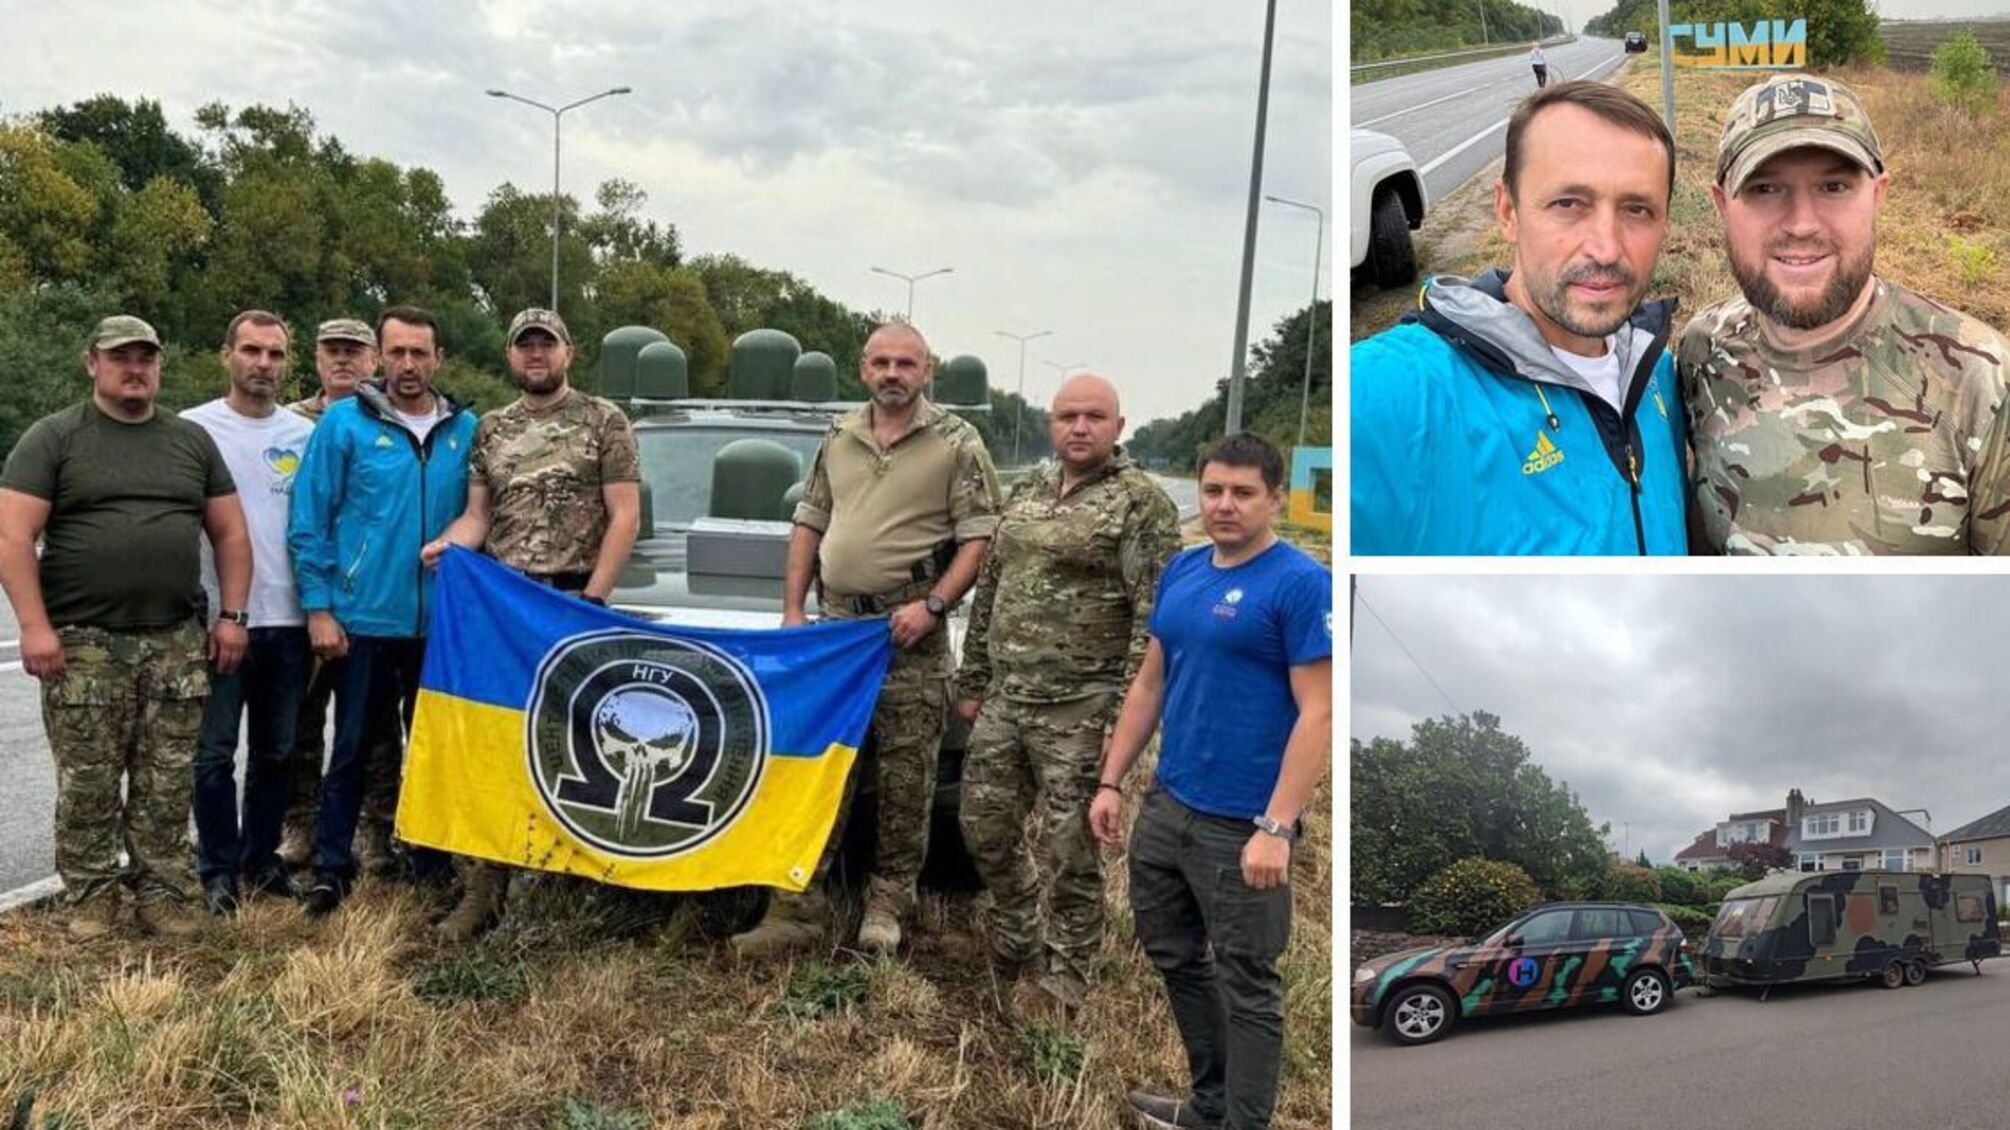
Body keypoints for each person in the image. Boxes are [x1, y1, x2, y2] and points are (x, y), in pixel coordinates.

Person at [730, 321, 1002, 958]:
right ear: (863, 369)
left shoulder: (958, 442)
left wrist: (933, 607)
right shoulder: (840, 434)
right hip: (836, 635)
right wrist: (794, 609)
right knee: (821, 770)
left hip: (909, 635)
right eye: (881, 362)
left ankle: (887, 906)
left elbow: (981, 539)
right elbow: (810, 520)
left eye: (906, 363)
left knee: (907, 781)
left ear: (926, 370)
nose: (892, 374)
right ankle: (797, 906)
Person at [1091, 433, 1331, 1130]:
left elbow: (1319, 712)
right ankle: (1209, 1104)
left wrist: (1276, 827)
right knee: (1173, 955)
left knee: (1247, 982)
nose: (1225, 505)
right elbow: (1149, 683)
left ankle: (1243, 1122)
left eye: (1243, 492)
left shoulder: (1299, 583)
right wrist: (1112, 782)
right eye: (1214, 490)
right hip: (1169, 806)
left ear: (1275, 497)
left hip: (1242, 826)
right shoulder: (1184, 571)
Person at [1350, 79, 1687, 555]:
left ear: (1665, 222)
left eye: (1637, 209)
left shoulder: (1661, 375)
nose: (1607, 248)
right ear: (1507, 211)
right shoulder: (1396, 391)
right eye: (1569, 204)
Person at [1680, 73, 2010, 554]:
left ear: (1877, 195)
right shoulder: (1699, 351)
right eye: (1765, 189)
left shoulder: (1979, 382)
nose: (1801, 224)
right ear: (1721, 205)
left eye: (1833, 186)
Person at [0, 315, 251, 940]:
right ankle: (91, 898)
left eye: (145, 358)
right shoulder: (55, 437)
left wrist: (233, 617)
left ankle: (163, 895)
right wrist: (34, 626)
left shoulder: (189, 442)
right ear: (93, 363)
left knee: (166, 782)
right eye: (121, 358)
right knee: (88, 782)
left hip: (174, 640)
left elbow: (230, 532)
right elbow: (11, 536)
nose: (134, 369)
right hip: (84, 644)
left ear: (159, 366)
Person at [953, 373, 1179, 1013]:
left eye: (1094, 417)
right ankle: (1019, 926)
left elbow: (1152, 618)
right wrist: (973, 681)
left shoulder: (1140, 503)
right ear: (1051, 424)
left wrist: (1123, 717)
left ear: (1118, 428)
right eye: (1067, 416)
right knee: (983, 826)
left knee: (1069, 847)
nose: (1080, 428)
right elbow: (991, 586)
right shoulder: (1026, 489)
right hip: (1007, 698)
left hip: (1083, 708)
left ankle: (1067, 970)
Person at [422, 307, 641, 940]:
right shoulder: (491, 429)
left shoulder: (605, 421)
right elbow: (478, 515)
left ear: (568, 353)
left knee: (565, 749)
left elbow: (623, 515)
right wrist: (450, 547)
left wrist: (594, 599)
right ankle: (481, 889)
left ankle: (551, 889)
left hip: (574, 604)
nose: (536, 355)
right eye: (525, 346)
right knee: (493, 745)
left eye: (547, 344)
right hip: (505, 609)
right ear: (511, 357)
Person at [288, 305, 477, 915]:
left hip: (439, 627)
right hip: (364, 618)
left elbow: (486, 513)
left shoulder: (466, 429)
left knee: (432, 747)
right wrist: (319, 606)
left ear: (438, 359)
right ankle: (331, 867)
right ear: (379, 358)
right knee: (352, 748)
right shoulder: (343, 425)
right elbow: (309, 522)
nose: (408, 365)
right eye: (396, 352)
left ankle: (429, 863)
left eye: (419, 353)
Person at [183, 310, 316, 915]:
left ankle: (260, 861)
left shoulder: (305, 436)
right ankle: (217, 869)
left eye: (275, 354)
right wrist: (212, 612)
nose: (263, 364)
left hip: (288, 620)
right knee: (212, 753)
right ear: (226, 355)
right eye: (252, 351)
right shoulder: (192, 430)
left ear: (288, 364)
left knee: (275, 753)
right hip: (218, 620)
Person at [278, 317, 401, 871]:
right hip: (299, 599)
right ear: (317, 356)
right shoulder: (288, 423)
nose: (344, 360)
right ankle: (299, 826)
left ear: (374, 359)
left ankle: (375, 831)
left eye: (355, 351)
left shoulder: (394, 418)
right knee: (300, 724)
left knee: (373, 730)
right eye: (333, 350)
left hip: (368, 604)